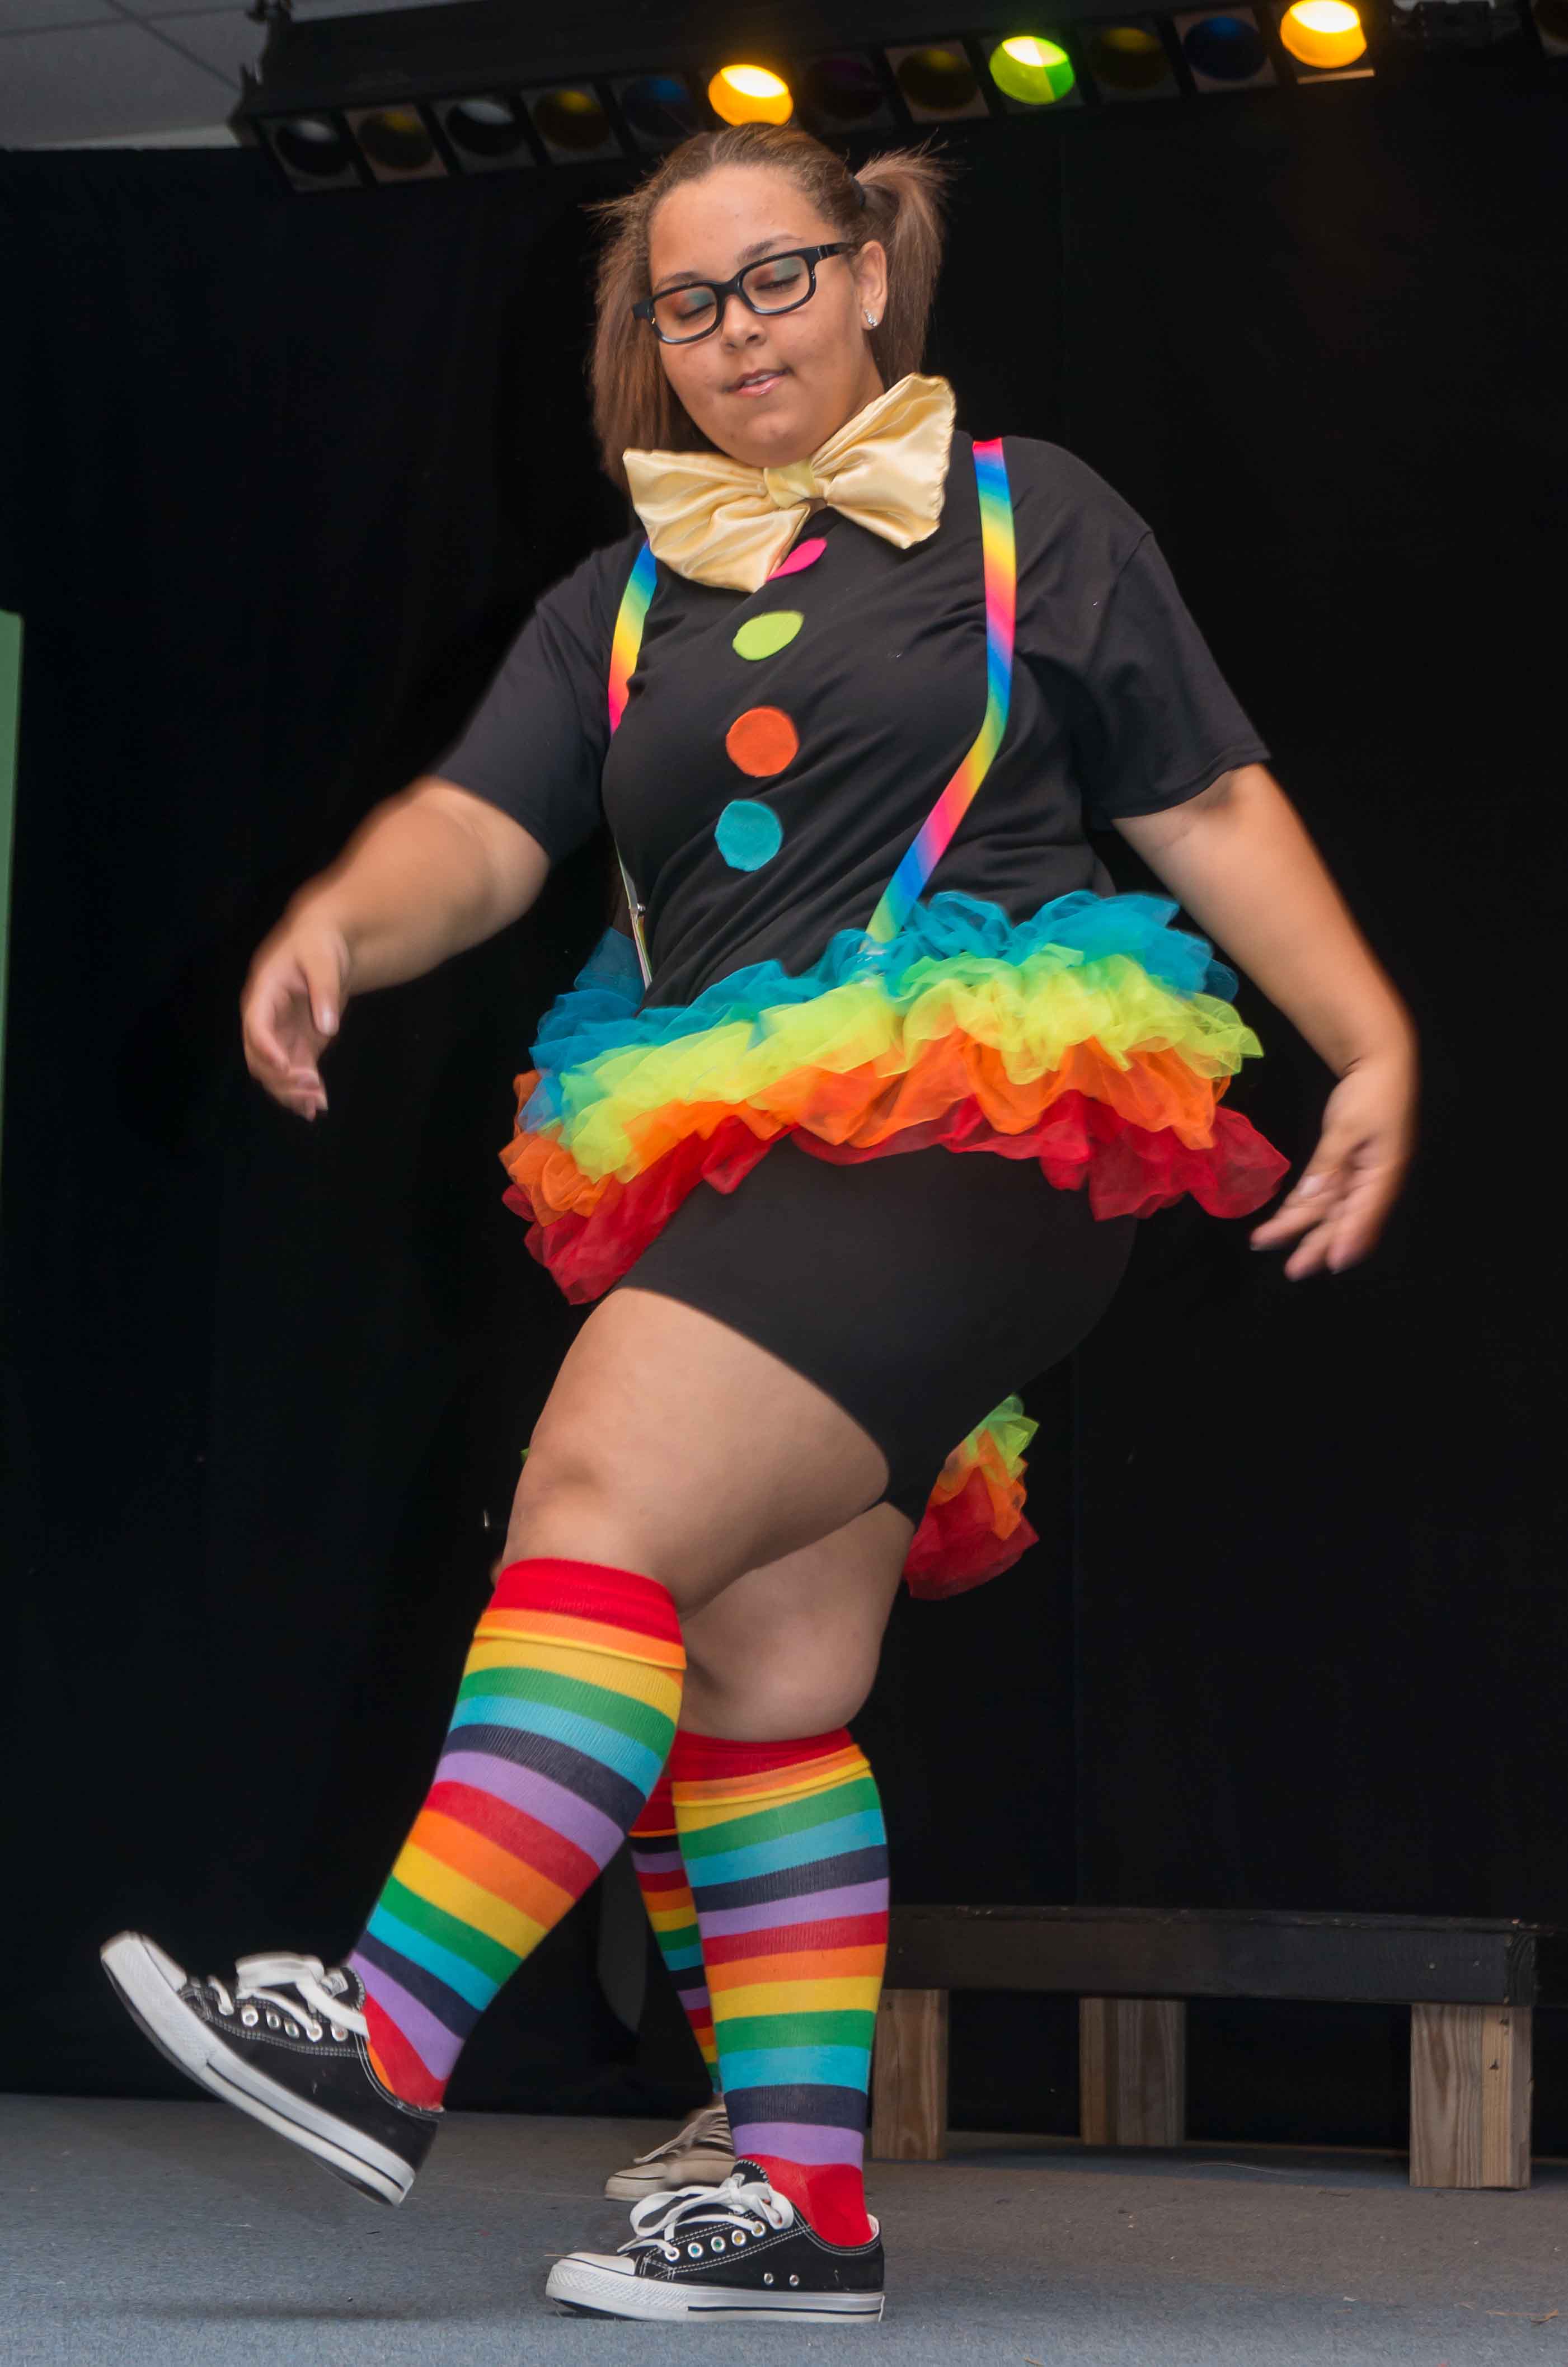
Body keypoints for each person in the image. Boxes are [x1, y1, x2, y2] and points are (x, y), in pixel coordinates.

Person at [100, 120, 1419, 2326]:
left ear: (871, 272)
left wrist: (1362, 1039)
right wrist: (342, 917)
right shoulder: (623, 599)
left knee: (598, 1494)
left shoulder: (1023, 514)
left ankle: (387, 2025)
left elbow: (1196, 789)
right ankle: (799, 2198)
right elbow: (476, 826)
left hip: (982, 1113)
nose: (733, 332)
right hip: (742, 1144)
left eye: (776, 277)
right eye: (686, 303)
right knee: (759, 1673)